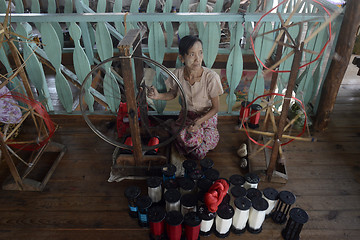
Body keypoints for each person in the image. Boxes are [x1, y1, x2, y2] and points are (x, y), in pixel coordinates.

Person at [147, 35, 224, 160]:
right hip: (187, 116)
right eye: (192, 54)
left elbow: (215, 108)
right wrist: (157, 96)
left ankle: (205, 135)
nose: (197, 59)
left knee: (199, 150)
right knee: (187, 137)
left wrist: (198, 122)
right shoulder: (178, 74)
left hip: (206, 118)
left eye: (200, 53)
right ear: (182, 58)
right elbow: (172, 94)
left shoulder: (211, 77)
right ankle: (183, 132)